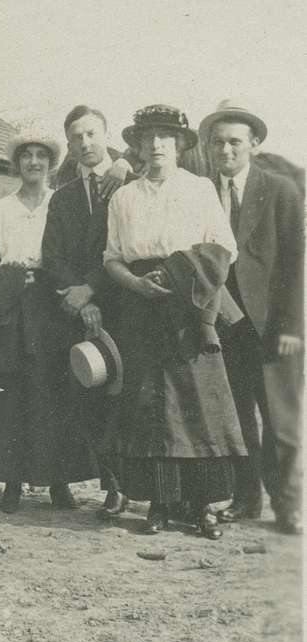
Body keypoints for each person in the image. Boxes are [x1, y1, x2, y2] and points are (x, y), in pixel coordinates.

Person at [103, 104, 247, 539]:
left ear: (181, 145)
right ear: (138, 145)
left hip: (190, 305)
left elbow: (224, 247)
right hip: (142, 306)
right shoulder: (123, 197)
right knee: (152, 409)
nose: (157, 145)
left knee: (197, 407)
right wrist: (135, 284)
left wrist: (180, 273)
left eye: (166, 137)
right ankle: (160, 506)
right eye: (148, 137)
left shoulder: (200, 190)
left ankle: (202, 508)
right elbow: (111, 258)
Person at [0, 132, 94, 513]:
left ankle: (59, 483)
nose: (33, 162)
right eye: (26, 156)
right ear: (16, 165)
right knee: (9, 392)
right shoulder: (0, 209)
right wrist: (6, 275)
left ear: (50, 165)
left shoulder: (62, 203)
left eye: (41, 156)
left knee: (53, 392)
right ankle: (11, 482)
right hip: (10, 306)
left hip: (51, 307)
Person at [199, 100, 304, 535]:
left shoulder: (280, 190)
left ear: (254, 143)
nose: (226, 151)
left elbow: (298, 264)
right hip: (228, 325)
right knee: (238, 418)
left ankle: (288, 506)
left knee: (281, 422)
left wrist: (291, 327)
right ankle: (246, 499)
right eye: (218, 142)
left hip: (274, 328)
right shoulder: (202, 191)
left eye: (235, 142)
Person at [41, 105, 139, 519]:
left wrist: (93, 290)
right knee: (70, 387)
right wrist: (79, 297)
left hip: (118, 301)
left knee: (115, 393)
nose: (85, 143)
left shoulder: (130, 186)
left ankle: (116, 487)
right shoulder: (62, 196)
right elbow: (52, 254)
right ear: (69, 143)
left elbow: (126, 246)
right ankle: (60, 478)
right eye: (76, 137)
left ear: (106, 134)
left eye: (92, 134)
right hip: (72, 306)